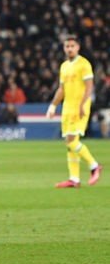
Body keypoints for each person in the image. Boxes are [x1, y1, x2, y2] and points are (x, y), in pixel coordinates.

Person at [46, 36, 102, 188]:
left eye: (72, 46)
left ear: (78, 47)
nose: (69, 49)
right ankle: (74, 179)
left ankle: (94, 166)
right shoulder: (64, 66)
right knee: (69, 143)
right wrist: (53, 105)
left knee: (71, 141)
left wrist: (82, 105)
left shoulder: (84, 64)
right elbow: (61, 89)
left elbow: (89, 87)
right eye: (67, 46)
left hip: (79, 107)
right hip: (67, 107)